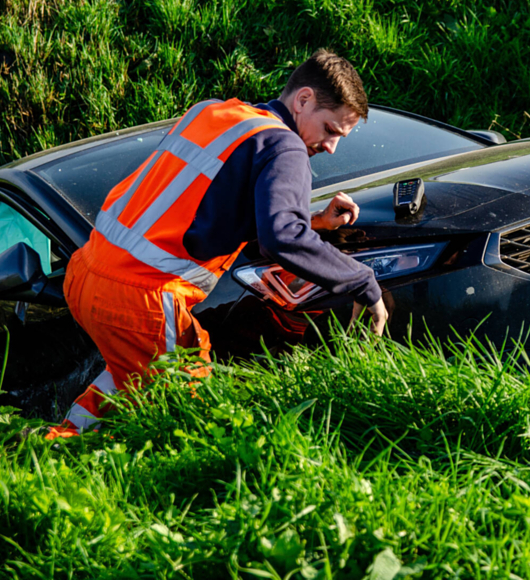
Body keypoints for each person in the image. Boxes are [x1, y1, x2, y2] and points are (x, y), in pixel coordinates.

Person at [46, 49, 388, 439]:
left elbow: (208, 211)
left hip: (87, 274)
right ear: (304, 99)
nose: (330, 147)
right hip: (141, 296)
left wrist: (314, 222)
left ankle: (51, 446)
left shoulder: (213, 115)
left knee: (133, 383)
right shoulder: (285, 147)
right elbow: (284, 239)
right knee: (190, 417)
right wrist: (363, 283)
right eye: (330, 130)